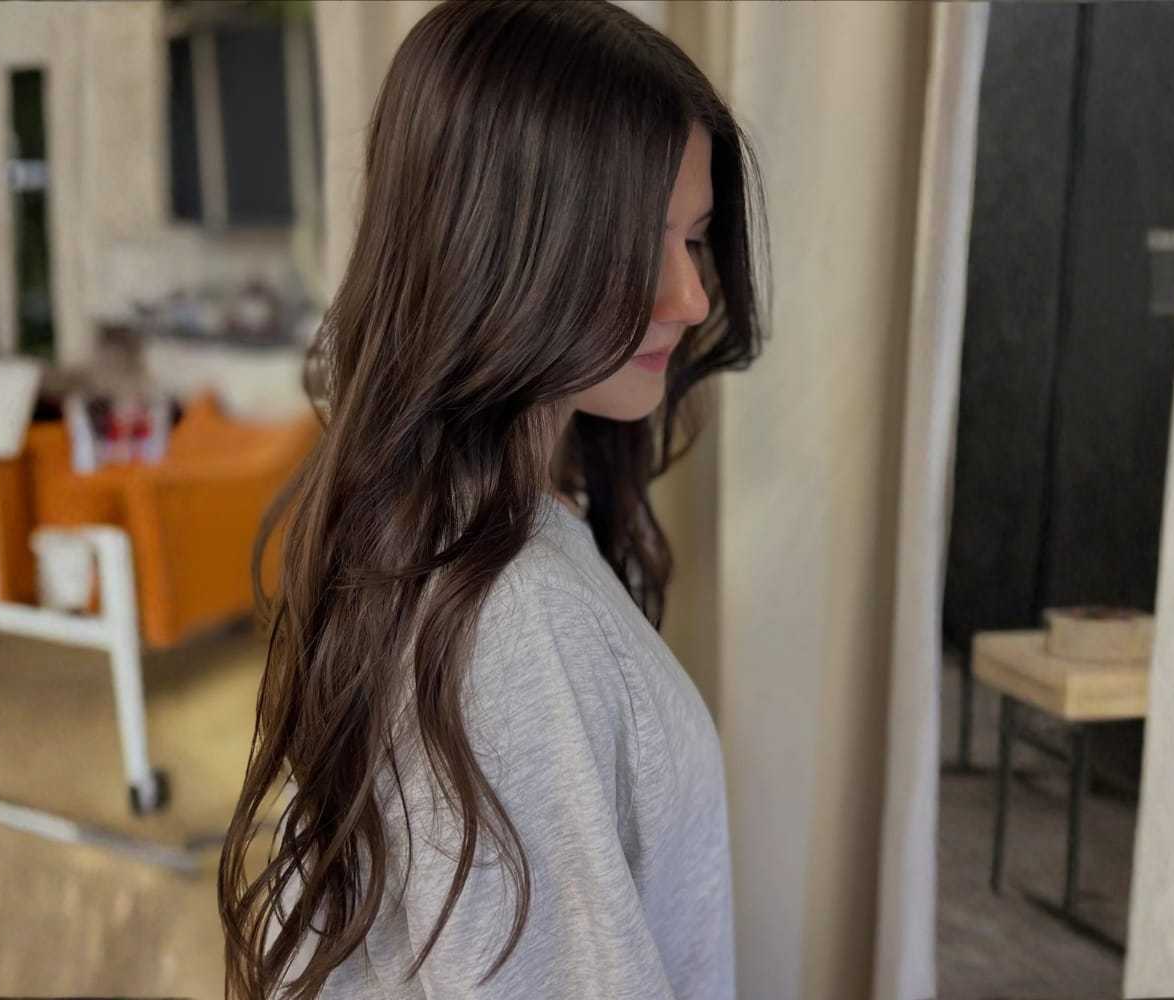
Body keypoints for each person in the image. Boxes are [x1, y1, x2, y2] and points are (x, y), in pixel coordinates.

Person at [218, 2, 769, 997]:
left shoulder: (477, 523)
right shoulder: (515, 617)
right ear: (502, 239)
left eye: (693, 240)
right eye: (644, 242)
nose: (690, 298)